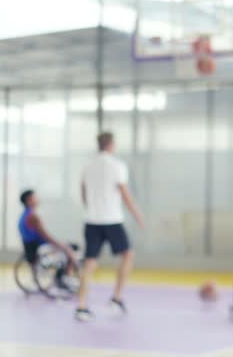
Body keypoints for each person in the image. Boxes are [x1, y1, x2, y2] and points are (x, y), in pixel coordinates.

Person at [75, 132, 145, 322]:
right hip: (112, 220)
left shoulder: (88, 166)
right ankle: (116, 297)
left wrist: (91, 208)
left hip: (91, 220)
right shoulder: (117, 166)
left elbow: (83, 193)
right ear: (112, 145)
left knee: (90, 264)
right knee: (128, 255)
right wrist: (138, 215)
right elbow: (124, 193)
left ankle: (81, 306)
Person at [18, 190, 78, 287]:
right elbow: (46, 236)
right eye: (35, 197)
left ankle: (64, 276)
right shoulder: (33, 217)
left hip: (32, 248)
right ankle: (65, 277)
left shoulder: (25, 215)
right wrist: (62, 245)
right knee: (71, 249)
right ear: (29, 200)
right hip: (40, 248)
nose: (38, 199)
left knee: (67, 247)